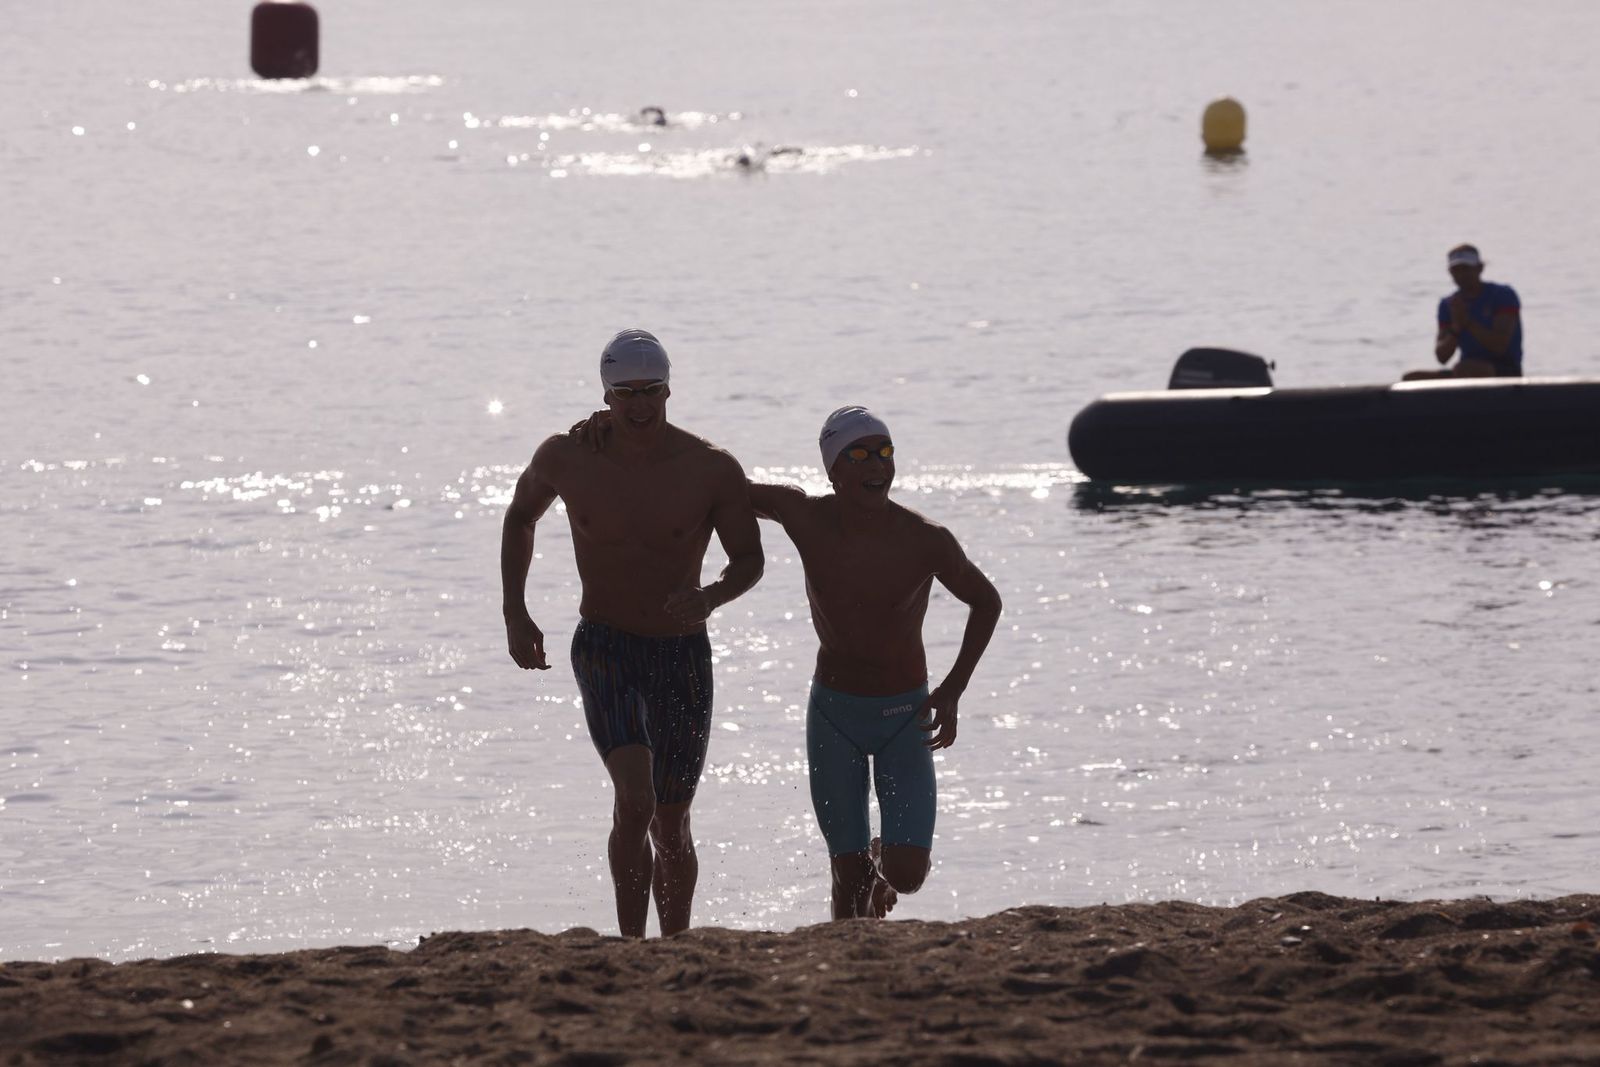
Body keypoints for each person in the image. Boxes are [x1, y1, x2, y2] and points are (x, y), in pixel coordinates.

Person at [500, 328, 764, 938]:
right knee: (636, 802)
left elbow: (748, 560)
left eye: (651, 392)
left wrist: (711, 596)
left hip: (681, 653)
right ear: (606, 395)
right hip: (606, 646)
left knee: (671, 822)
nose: (639, 406)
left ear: (670, 389)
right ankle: (629, 945)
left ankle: (673, 948)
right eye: (625, 394)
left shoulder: (709, 468)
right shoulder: (567, 456)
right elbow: (520, 516)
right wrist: (516, 610)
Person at [750, 407, 1002, 920]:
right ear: (832, 470)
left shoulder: (925, 538)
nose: (877, 464)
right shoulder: (805, 517)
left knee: (905, 875)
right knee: (848, 877)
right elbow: (717, 482)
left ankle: (880, 858)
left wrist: (952, 689)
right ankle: (842, 975)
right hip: (834, 715)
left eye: (885, 452)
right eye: (860, 454)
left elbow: (987, 601)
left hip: (903, 714)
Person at [1404, 244, 1523, 380]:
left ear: (1480, 268)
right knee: (1411, 378)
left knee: (1467, 369)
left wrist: (1468, 323)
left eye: (1466, 269)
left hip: (1504, 371)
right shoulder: (1448, 304)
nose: (1461, 275)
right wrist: (1456, 327)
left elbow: (1500, 346)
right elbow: (1442, 357)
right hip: (1463, 372)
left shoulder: (1503, 295)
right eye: (1456, 270)